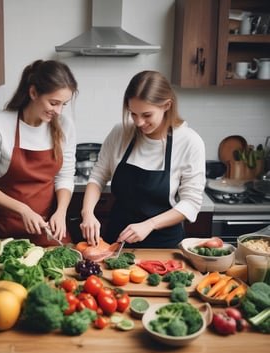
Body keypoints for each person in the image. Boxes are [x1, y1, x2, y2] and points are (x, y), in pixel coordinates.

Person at [80, 70, 206, 248]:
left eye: (147, 115)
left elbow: (191, 203)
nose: (138, 123)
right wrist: (88, 214)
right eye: (133, 114)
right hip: (117, 241)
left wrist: (150, 224)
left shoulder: (189, 142)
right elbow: (98, 176)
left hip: (163, 246)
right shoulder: (120, 133)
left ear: (167, 105)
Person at [0, 59, 78, 246]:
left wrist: (61, 212)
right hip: (4, 232)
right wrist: (24, 210)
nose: (59, 111)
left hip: (48, 230)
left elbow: (65, 177)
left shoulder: (65, 126)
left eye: (64, 104)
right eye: (54, 103)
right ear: (33, 92)